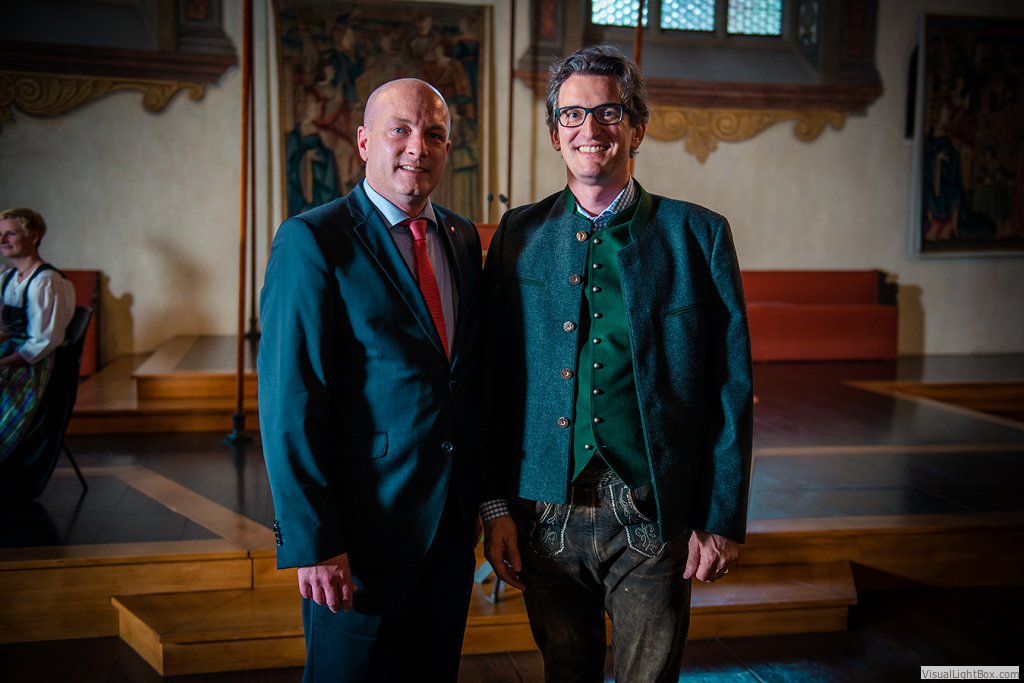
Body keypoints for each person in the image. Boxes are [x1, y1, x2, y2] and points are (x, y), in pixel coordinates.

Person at [480, 45, 753, 682]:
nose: (591, 128)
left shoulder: (698, 235)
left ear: (637, 127)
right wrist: (494, 509)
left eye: (609, 112)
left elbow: (730, 386)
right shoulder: (518, 235)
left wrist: (720, 517)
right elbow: (492, 382)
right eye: (572, 115)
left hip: (654, 507)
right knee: (565, 673)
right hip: (544, 509)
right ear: (555, 134)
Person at [258, 78, 482, 683]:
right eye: (400, 130)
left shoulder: (461, 238)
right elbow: (289, 401)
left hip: (449, 531)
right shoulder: (314, 239)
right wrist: (313, 541)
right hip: (359, 536)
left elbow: (464, 384)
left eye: (434, 134)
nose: (417, 147)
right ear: (362, 142)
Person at [0, 208, 76, 464]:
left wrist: (2, 363)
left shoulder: (46, 281)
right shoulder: (9, 279)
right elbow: (7, 330)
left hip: (38, 367)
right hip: (14, 355)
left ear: (33, 237)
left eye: (10, 234)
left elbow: (42, 343)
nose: (2, 240)